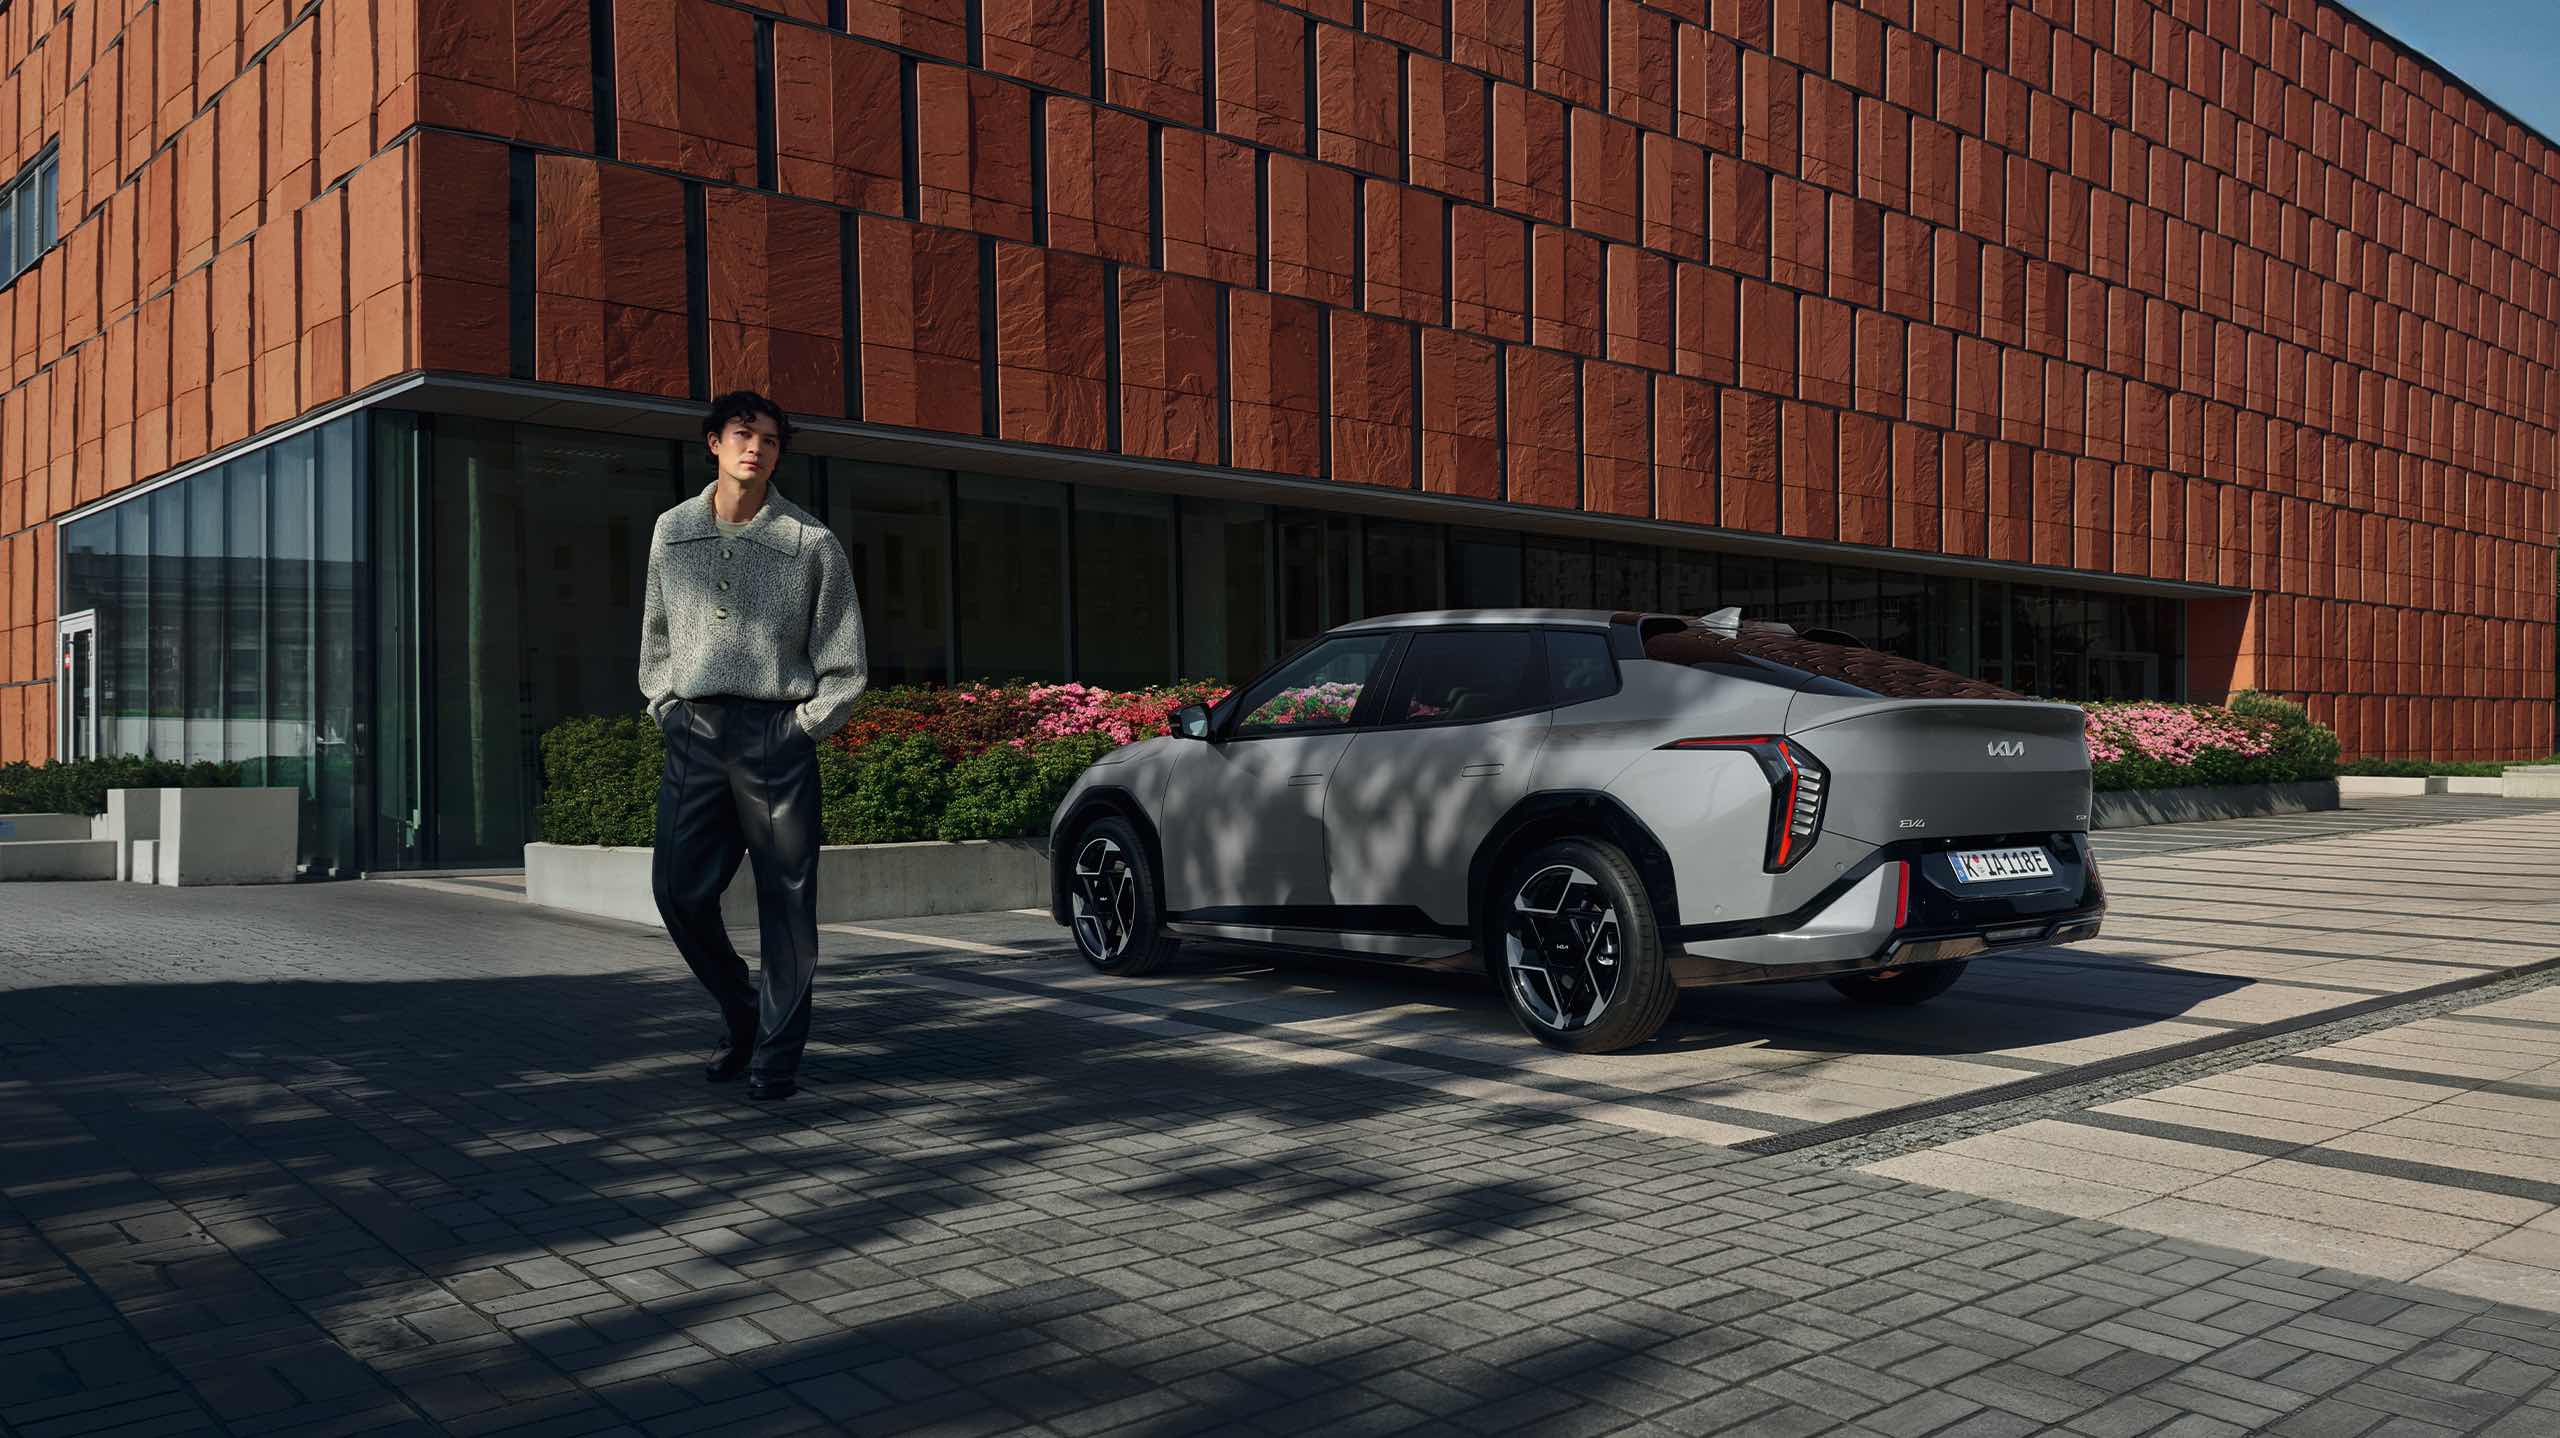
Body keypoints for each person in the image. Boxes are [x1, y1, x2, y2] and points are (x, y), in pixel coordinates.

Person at [640, 392, 868, 1101]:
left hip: (776, 735)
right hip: (695, 732)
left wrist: (801, 728)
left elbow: (845, 663)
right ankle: (743, 1011)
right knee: (677, 891)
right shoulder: (672, 530)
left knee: (788, 903)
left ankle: (777, 1058)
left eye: (770, 440)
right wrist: (667, 707)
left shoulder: (811, 543)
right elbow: (656, 636)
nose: (757, 449)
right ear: (714, 442)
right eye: (744, 435)